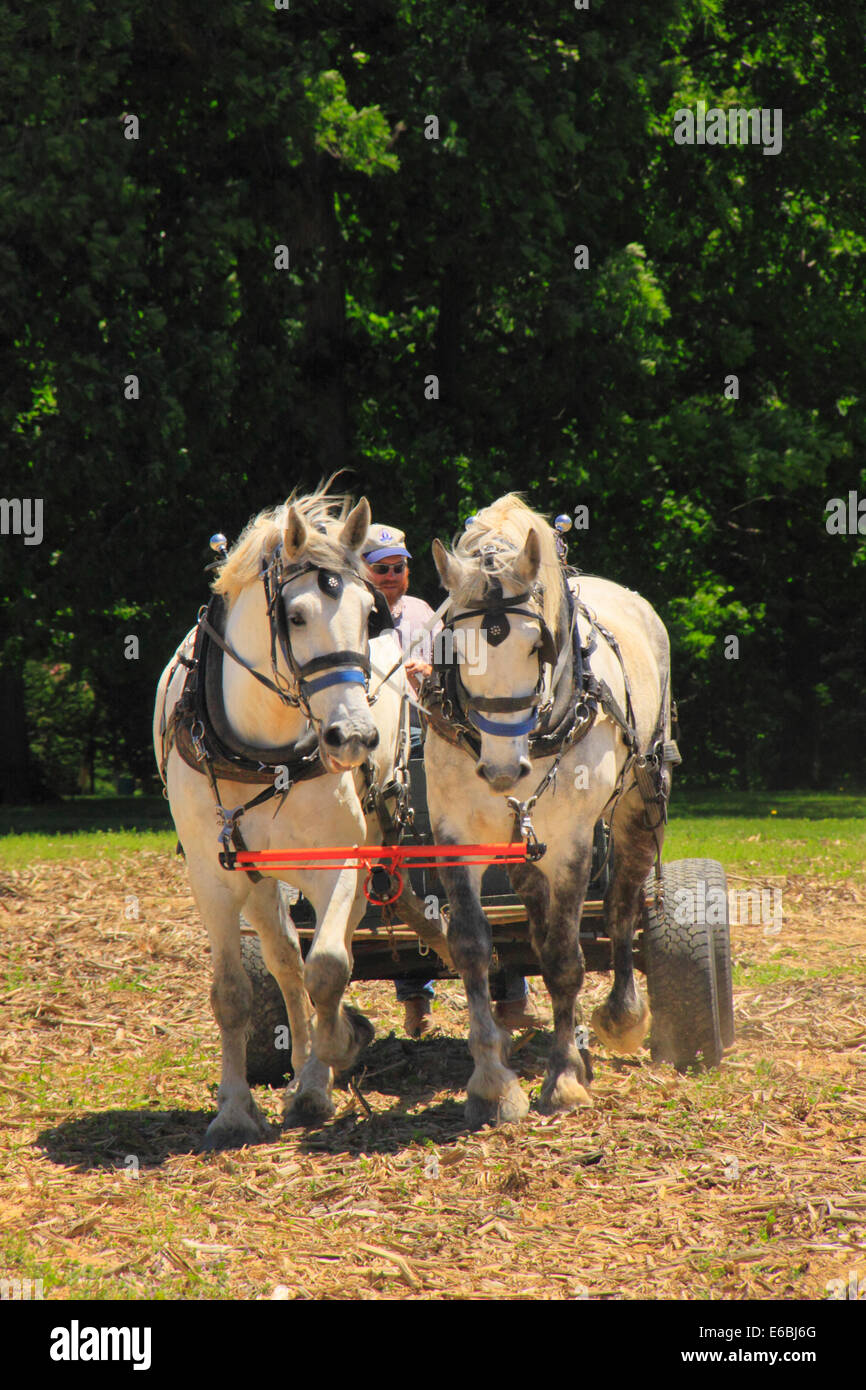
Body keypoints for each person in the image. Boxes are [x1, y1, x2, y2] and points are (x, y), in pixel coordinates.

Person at [361, 522, 542, 1038]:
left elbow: (473, 657)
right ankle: (416, 1000)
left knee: (495, 860)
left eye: (399, 567)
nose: (391, 577)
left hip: (436, 738)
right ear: (364, 571)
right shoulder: (349, 615)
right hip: (379, 748)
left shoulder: (428, 613)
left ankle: (513, 993)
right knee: (406, 863)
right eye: (381, 569)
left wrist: (430, 665)